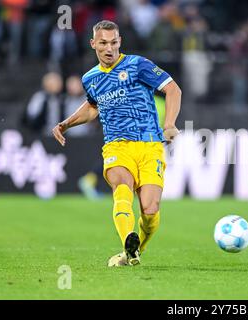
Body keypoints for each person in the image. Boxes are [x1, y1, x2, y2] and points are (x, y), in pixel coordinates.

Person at [52, 20, 182, 267]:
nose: (109, 48)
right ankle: (127, 239)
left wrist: (169, 125)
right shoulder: (90, 78)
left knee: (151, 210)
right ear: (93, 44)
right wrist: (66, 123)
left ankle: (132, 252)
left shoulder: (137, 65)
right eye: (103, 43)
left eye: (113, 42)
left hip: (150, 145)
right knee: (121, 185)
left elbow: (173, 90)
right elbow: (92, 107)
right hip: (117, 146)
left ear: (119, 42)